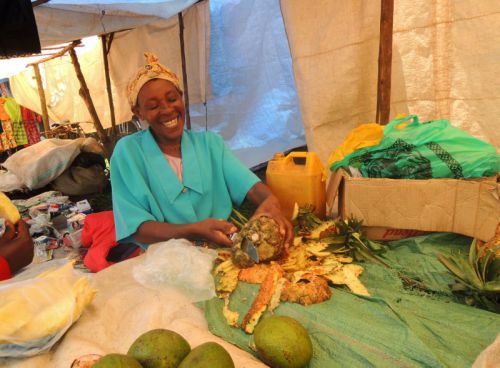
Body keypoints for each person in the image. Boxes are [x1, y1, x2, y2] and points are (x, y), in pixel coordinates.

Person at [111, 53, 293, 249]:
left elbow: (251, 187)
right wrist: (190, 230)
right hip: (166, 263)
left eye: (172, 99)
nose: (167, 110)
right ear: (139, 112)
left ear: (181, 98)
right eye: (153, 106)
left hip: (223, 252)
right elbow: (136, 226)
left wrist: (270, 202)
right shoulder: (128, 153)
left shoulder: (210, 144)